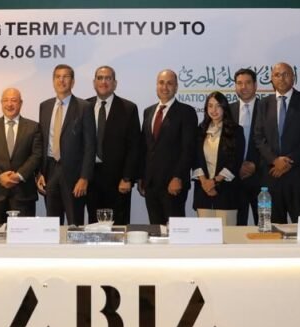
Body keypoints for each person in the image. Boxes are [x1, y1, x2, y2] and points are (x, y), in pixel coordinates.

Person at [251, 62, 300, 223]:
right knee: (273, 229)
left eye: (285, 74)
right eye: (277, 75)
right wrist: (275, 160)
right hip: (272, 176)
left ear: (293, 78)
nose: (281, 78)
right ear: (271, 79)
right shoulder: (263, 103)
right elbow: (258, 137)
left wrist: (288, 161)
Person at [37, 64, 97, 226]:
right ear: (53, 80)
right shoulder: (44, 106)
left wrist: (84, 178)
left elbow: (90, 146)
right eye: (57, 76)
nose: (61, 80)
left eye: (66, 77)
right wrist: (40, 173)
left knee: (74, 224)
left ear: (73, 81)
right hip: (50, 171)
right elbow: (42, 141)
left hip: (74, 175)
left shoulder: (84, 107)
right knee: (52, 225)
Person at [139, 69, 197, 225]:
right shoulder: (148, 112)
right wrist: (142, 178)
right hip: (151, 184)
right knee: (156, 230)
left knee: (176, 231)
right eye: (161, 83)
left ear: (176, 87)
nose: (165, 87)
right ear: (156, 85)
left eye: (170, 83)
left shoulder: (186, 112)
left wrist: (178, 177)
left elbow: (188, 149)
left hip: (173, 184)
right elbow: (145, 147)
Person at [85, 66, 142, 225]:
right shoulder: (84, 106)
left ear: (115, 83)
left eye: (108, 78)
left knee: (118, 226)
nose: (103, 82)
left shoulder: (128, 108)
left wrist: (127, 177)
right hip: (91, 178)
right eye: (100, 78)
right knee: (94, 225)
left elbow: (134, 147)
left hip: (118, 180)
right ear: (94, 83)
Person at [0, 88, 43, 224]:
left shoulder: (33, 127)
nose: (9, 104)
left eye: (14, 100)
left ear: (21, 103)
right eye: (6, 100)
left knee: (25, 234)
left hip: (24, 193)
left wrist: (19, 175)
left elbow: (36, 155)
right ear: (1, 103)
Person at [191, 92, 244, 225]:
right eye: (210, 106)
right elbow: (195, 159)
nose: (213, 110)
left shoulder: (236, 130)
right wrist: (205, 182)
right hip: (203, 191)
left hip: (226, 191)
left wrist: (214, 182)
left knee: (227, 234)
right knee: (205, 234)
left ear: (224, 108)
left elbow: (235, 162)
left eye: (218, 106)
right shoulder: (200, 130)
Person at [229, 68, 261, 226]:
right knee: (236, 227)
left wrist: (255, 164)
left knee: (264, 227)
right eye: (239, 83)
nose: (244, 87)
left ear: (255, 85)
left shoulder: (268, 108)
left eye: (248, 83)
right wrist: (237, 166)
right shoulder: (227, 110)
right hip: (235, 179)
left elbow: (272, 142)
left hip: (262, 178)